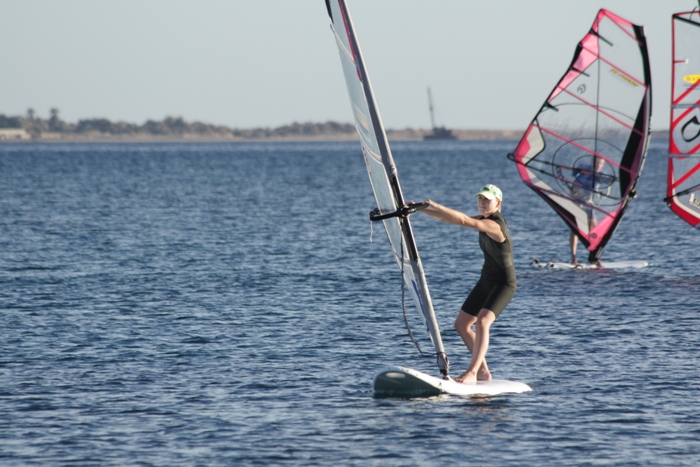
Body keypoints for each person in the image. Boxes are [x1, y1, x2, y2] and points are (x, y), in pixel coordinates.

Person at [418, 184, 516, 383]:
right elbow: (451, 220)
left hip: (504, 283)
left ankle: (471, 372)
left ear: (498, 203)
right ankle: (482, 372)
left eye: (487, 200)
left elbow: (463, 219)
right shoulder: (484, 218)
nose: (482, 203)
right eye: (480, 199)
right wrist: (421, 210)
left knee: (482, 322)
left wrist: (436, 204)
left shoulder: (495, 225)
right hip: (486, 280)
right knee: (462, 325)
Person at [569, 157, 605, 265]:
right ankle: (573, 258)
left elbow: (608, 180)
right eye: (597, 163)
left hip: (588, 203)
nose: (598, 166)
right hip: (576, 202)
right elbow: (574, 173)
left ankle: (595, 258)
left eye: (601, 164)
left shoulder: (600, 175)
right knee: (575, 230)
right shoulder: (584, 168)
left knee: (596, 231)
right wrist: (577, 170)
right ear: (592, 163)